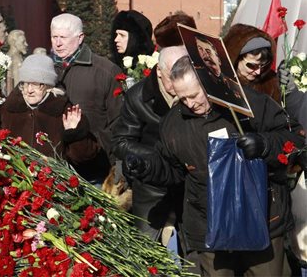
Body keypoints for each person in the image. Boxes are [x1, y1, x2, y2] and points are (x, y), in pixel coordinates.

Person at [126, 56, 305, 276]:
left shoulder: (247, 102)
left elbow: (294, 139)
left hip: (262, 218)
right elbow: (172, 169)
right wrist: (147, 167)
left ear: (207, 83)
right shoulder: (173, 123)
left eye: (194, 95)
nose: (190, 104)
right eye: (182, 98)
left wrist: (264, 145)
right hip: (209, 226)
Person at [0, 54, 102, 180]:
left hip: (53, 190)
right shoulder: (7, 110)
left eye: (36, 84)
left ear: (49, 86)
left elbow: (85, 158)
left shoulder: (65, 113)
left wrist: (74, 134)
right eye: (25, 83)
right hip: (11, 186)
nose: (29, 90)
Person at [108, 45, 188, 243]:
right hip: (152, 188)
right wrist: (155, 157)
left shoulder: (194, 91)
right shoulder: (138, 96)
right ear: (159, 72)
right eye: (173, 75)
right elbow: (121, 141)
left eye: (184, 73)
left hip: (189, 188)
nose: (179, 81)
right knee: (147, 251)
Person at [50, 13, 121, 184]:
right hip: (50, 168)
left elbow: (119, 121)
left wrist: (99, 150)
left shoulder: (106, 71)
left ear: (80, 38)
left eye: (63, 37)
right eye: (54, 37)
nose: (58, 43)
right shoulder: (44, 69)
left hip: (93, 169)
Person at [224, 23, 280, 102]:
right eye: (252, 66)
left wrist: (290, 92)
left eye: (263, 65)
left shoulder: (271, 84)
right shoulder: (220, 81)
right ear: (236, 59)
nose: (258, 72)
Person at [193, 34, 244, 106]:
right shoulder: (200, 77)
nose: (205, 55)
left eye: (208, 51)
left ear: (219, 60)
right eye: (200, 50)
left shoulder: (234, 85)